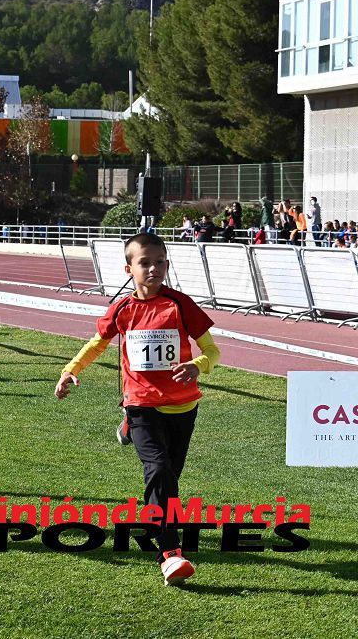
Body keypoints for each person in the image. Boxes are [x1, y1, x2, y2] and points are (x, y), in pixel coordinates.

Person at [54, 233, 221, 587]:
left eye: (159, 262)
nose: (153, 268)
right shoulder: (123, 309)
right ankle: (169, 554)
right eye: (145, 262)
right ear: (128, 268)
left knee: (169, 480)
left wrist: (199, 365)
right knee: (159, 470)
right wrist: (70, 371)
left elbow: (213, 350)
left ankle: (128, 430)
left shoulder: (180, 304)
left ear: (167, 265)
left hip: (183, 406)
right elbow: (97, 343)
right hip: (141, 402)